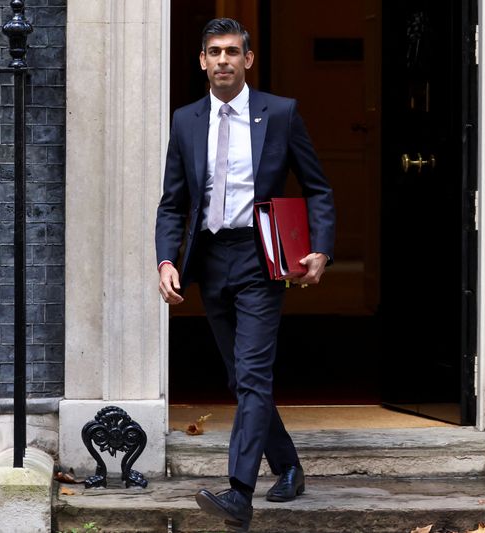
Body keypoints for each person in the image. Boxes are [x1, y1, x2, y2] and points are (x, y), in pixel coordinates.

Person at [154, 18, 335, 532]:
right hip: (210, 260)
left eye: (233, 51)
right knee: (240, 377)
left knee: (253, 374)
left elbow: (318, 186)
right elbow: (173, 203)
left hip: (260, 258)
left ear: (248, 60)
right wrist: (166, 259)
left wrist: (320, 248)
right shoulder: (186, 120)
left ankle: (238, 492)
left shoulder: (279, 113)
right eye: (214, 52)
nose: (223, 61)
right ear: (202, 61)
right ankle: (290, 467)